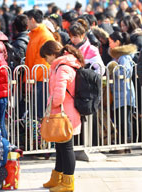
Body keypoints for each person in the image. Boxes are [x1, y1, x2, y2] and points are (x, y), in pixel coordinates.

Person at [40, 40, 84, 192]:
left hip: (65, 113)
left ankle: (68, 182)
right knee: (60, 146)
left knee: (66, 148)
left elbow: (58, 95)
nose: (46, 61)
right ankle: (57, 177)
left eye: (46, 57)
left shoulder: (62, 68)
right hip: (66, 112)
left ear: (53, 54)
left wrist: (49, 105)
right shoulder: (65, 65)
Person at [24, 9, 54, 119]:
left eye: (27, 19)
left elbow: (41, 61)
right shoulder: (34, 34)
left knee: (40, 114)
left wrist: (31, 80)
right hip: (35, 79)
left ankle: (42, 136)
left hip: (41, 80)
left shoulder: (44, 35)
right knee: (35, 113)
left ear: (32, 19)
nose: (26, 22)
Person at [108, 31, 136, 144]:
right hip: (119, 93)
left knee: (125, 120)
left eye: (111, 42)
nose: (109, 44)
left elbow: (124, 73)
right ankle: (122, 142)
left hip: (125, 93)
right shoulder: (118, 56)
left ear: (117, 42)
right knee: (120, 119)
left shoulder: (124, 57)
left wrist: (113, 68)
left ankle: (126, 143)